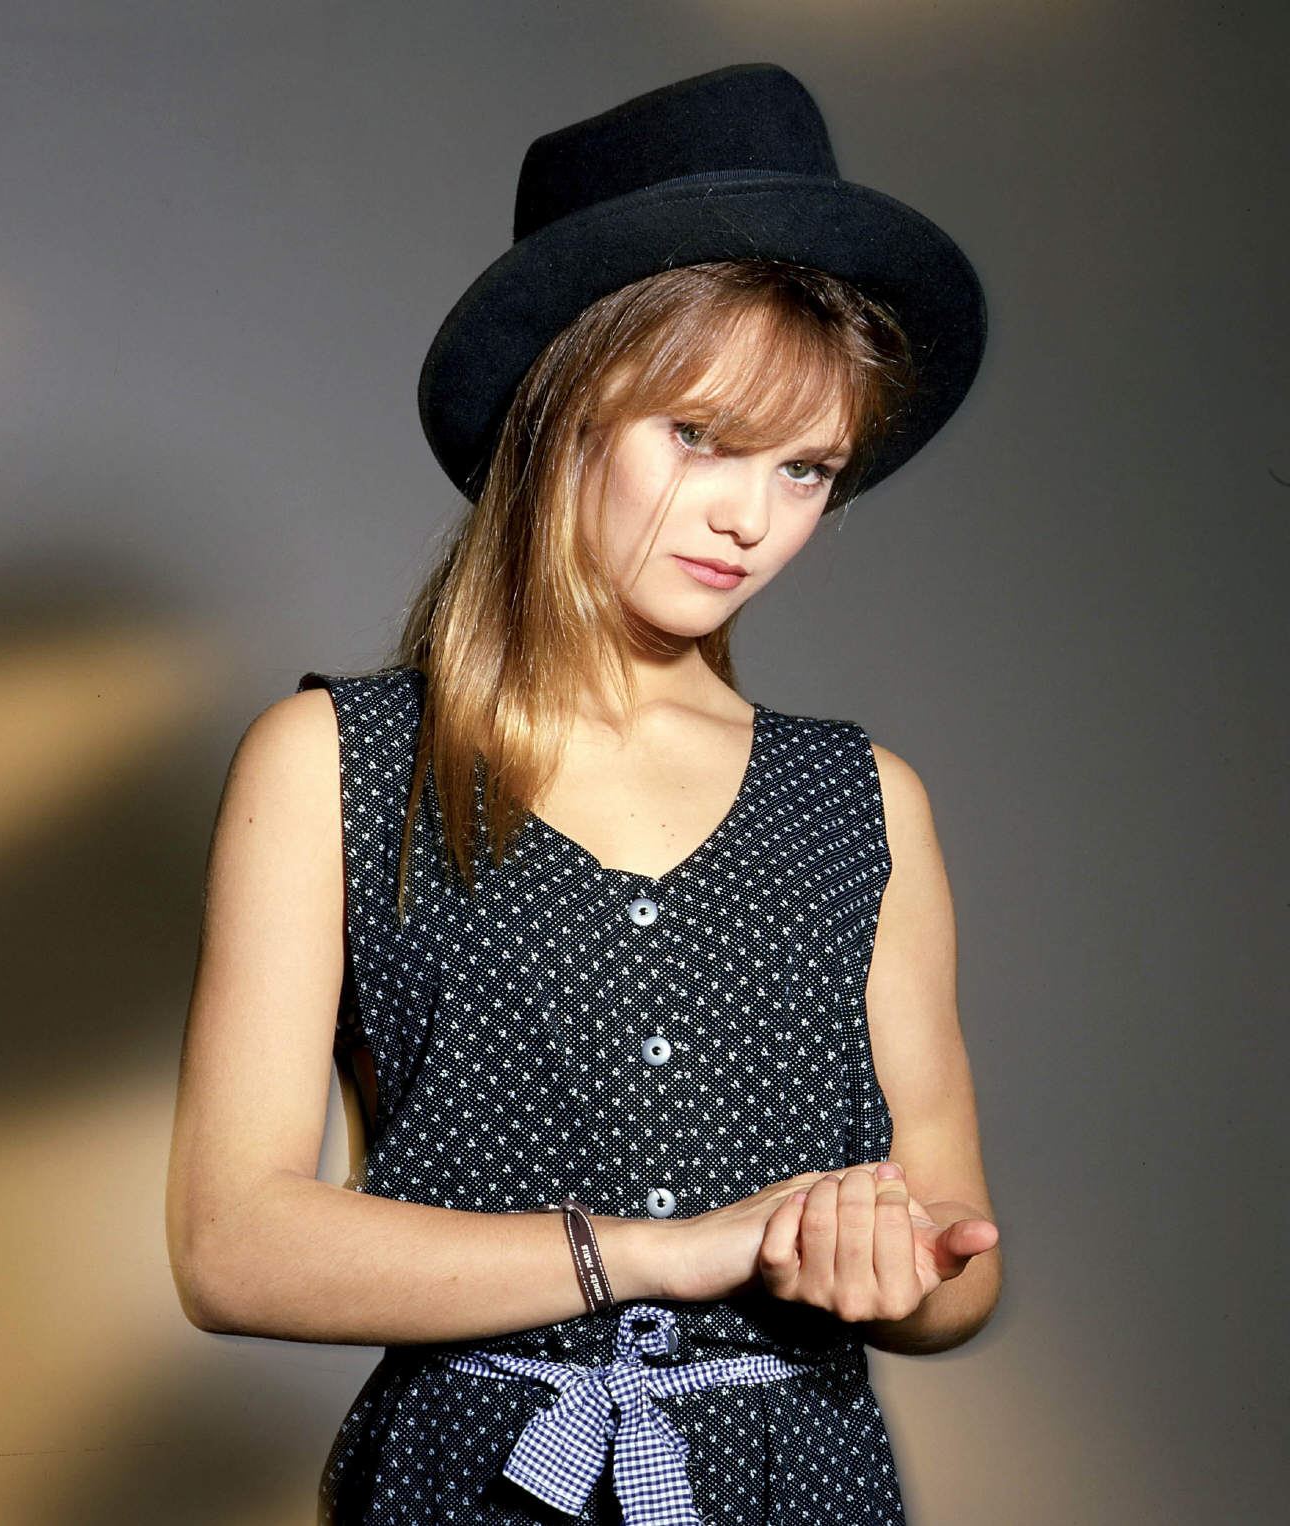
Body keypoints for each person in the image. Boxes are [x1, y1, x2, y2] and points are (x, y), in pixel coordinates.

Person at [166, 63, 1002, 1525]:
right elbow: (230, 1245)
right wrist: (664, 1251)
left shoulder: (863, 802)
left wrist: (899, 1263)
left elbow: (957, 1259)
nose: (750, 518)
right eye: (700, 435)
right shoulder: (336, 764)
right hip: (470, 1479)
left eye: (807, 470)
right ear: (561, 408)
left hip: (797, 1483)